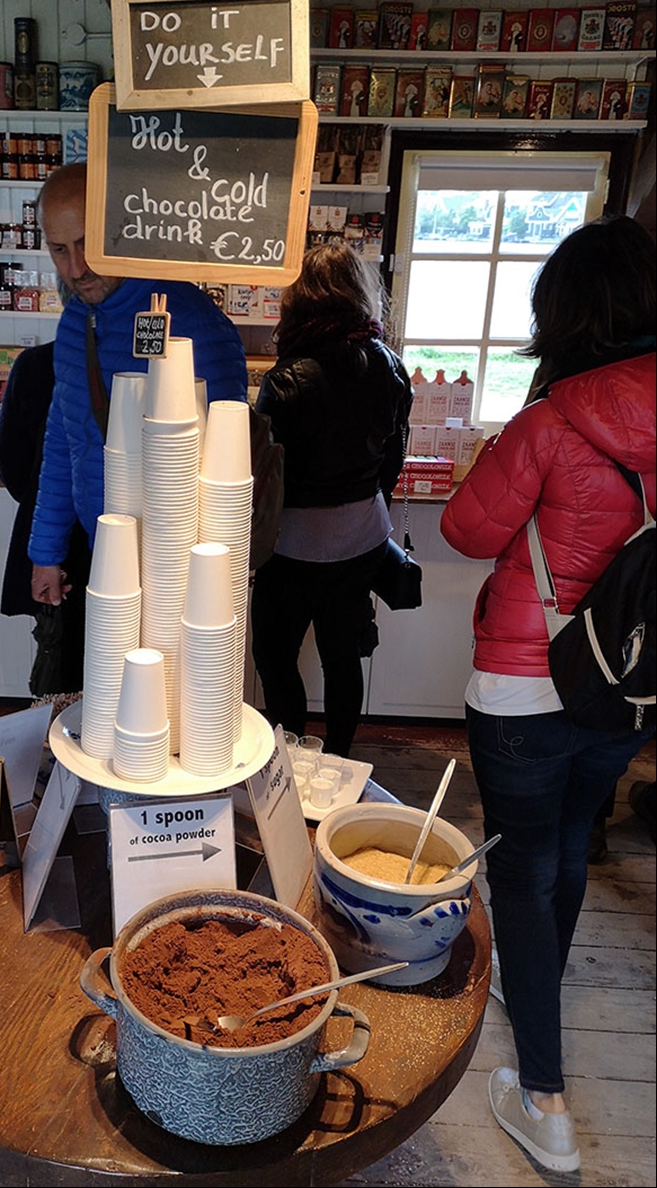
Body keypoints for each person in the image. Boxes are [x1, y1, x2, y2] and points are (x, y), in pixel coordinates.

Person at [440, 215, 656, 1173]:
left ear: (562, 315)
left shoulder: (551, 419)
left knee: (523, 868)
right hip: (630, 682)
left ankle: (546, 1101)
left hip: (528, 679)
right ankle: (536, 985)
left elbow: (465, 530)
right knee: (569, 843)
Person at [27, 162, 247, 613]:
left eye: (87, 245)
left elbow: (225, 467)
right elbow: (63, 442)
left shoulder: (194, 322)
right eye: (59, 250)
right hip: (103, 553)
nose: (76, 269)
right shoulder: (75, 323)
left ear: (121, 227)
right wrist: (45, 553)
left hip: (181, 569)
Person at [250, 243, 412, 757]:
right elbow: (393, 458)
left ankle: (292, 759)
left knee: (277, 659)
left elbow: (266, 476)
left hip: (292, 545)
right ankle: (341, 759)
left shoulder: (287, 378)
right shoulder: (391, 366)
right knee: (343, 656)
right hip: (363, 536)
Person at [0, 341, 89, 694]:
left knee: (59, 648)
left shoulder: (35, 363)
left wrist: (43, 503)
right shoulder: (143, 359)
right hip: (123, 537)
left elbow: (8, 457)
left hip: (53, 537)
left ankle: (64, 739)